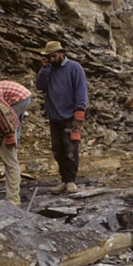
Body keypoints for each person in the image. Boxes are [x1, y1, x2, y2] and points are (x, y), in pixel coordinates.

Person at [35, 41, 88, 194]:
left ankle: (71, 180)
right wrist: (44, 68)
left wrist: (79, 114)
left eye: (52, 56)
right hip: (54, 116)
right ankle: (64, 180)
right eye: (48, 56)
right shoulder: (49, 69)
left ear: (61, 53)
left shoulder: (74, 68)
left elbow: (81, 91)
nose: (51, 59)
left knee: (70, 149)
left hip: (70, 115)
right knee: (57, 150)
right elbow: (39, 86)